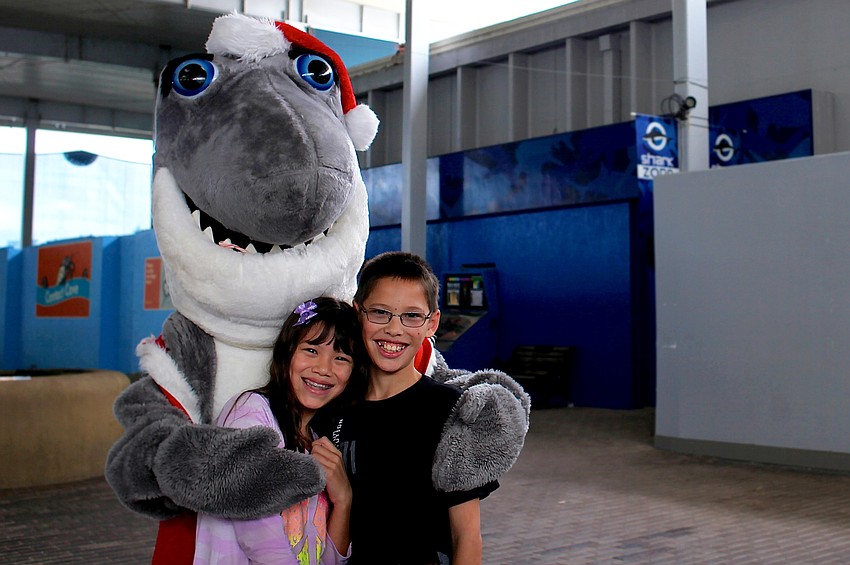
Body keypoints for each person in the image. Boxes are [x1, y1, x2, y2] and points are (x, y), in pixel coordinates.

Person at [328, 251, 498, 565]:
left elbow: (467, 536)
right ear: (357, 314)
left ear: (432, 322)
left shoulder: (450, 412)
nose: (394, 329)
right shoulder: (335, 409)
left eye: (411, 316)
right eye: (380, 312)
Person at [193, 296, 369, 565]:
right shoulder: (250, 412)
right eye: (311, 350)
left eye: (341, 357)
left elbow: (331, 560)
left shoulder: (320, 440)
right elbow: (257, 533)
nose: (323, 369)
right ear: (287, 352)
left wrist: (344, 500)